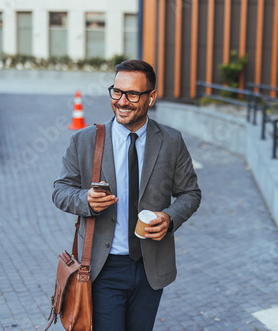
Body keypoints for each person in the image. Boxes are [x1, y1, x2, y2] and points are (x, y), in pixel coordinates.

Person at [52, 59, 201, 330]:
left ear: (151, 97)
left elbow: (190, 193)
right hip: (102, 267)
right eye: (117, 92)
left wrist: (169, 219)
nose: (122, 101)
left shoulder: (171, 141)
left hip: (151, 267)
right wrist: (85, 200)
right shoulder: (85, 140)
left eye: (132, 94)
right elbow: (60, 191)